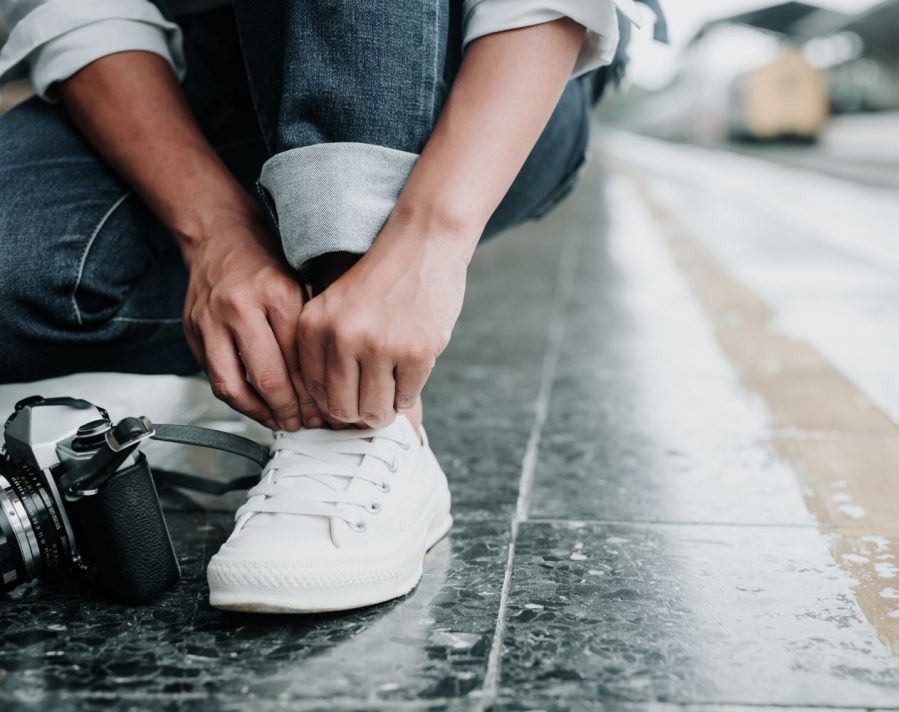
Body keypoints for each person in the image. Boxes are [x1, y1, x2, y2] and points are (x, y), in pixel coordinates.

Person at [0, 0, 665, 613]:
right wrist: (213, 233)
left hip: (500, 60)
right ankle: (268, 366)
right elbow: (78, 8)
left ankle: (354, 419)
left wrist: (428, 238)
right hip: (206, 60)